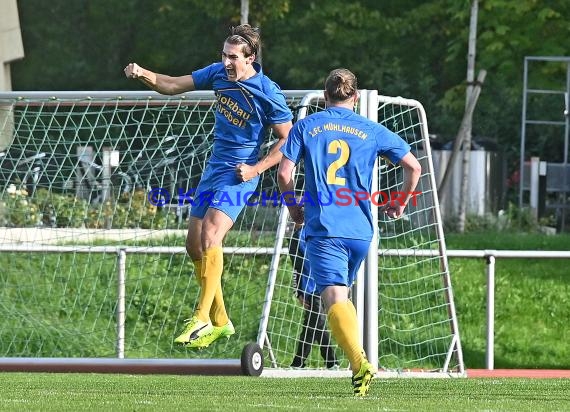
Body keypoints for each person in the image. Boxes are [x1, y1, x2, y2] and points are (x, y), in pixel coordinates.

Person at [124, 24, 293, 349]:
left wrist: (255, 168)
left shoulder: (267, 91)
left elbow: (288, 139)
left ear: (251, 58)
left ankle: (201, 317)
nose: (227, 62)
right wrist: (142, 72)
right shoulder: (218, 74)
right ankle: (221, 320)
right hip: (213, 169)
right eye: (224, 55)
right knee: (193, 246)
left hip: (239, 174)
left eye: (233, 57)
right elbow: (172, 85)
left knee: (211, 237)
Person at [277, 68, 421, 396]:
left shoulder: (307, 126)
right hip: (360, 232)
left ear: (325, 96)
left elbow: (285, 172)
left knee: (332, 297)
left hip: (325, 227)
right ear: (355, 99)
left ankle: (359, 364)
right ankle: (358, 365)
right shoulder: (371, 129)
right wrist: (399, 203)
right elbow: (415, 167)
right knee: (342, 295)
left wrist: (293, 207)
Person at [288, 223, 339, 369]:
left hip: (328, 284)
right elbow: (297, 269)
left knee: (315, 324)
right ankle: (330, 362)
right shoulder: (296, 239)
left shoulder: (324, 229)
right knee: (316, 323)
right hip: (312, 289)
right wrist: (298, 292)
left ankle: (301, 362)